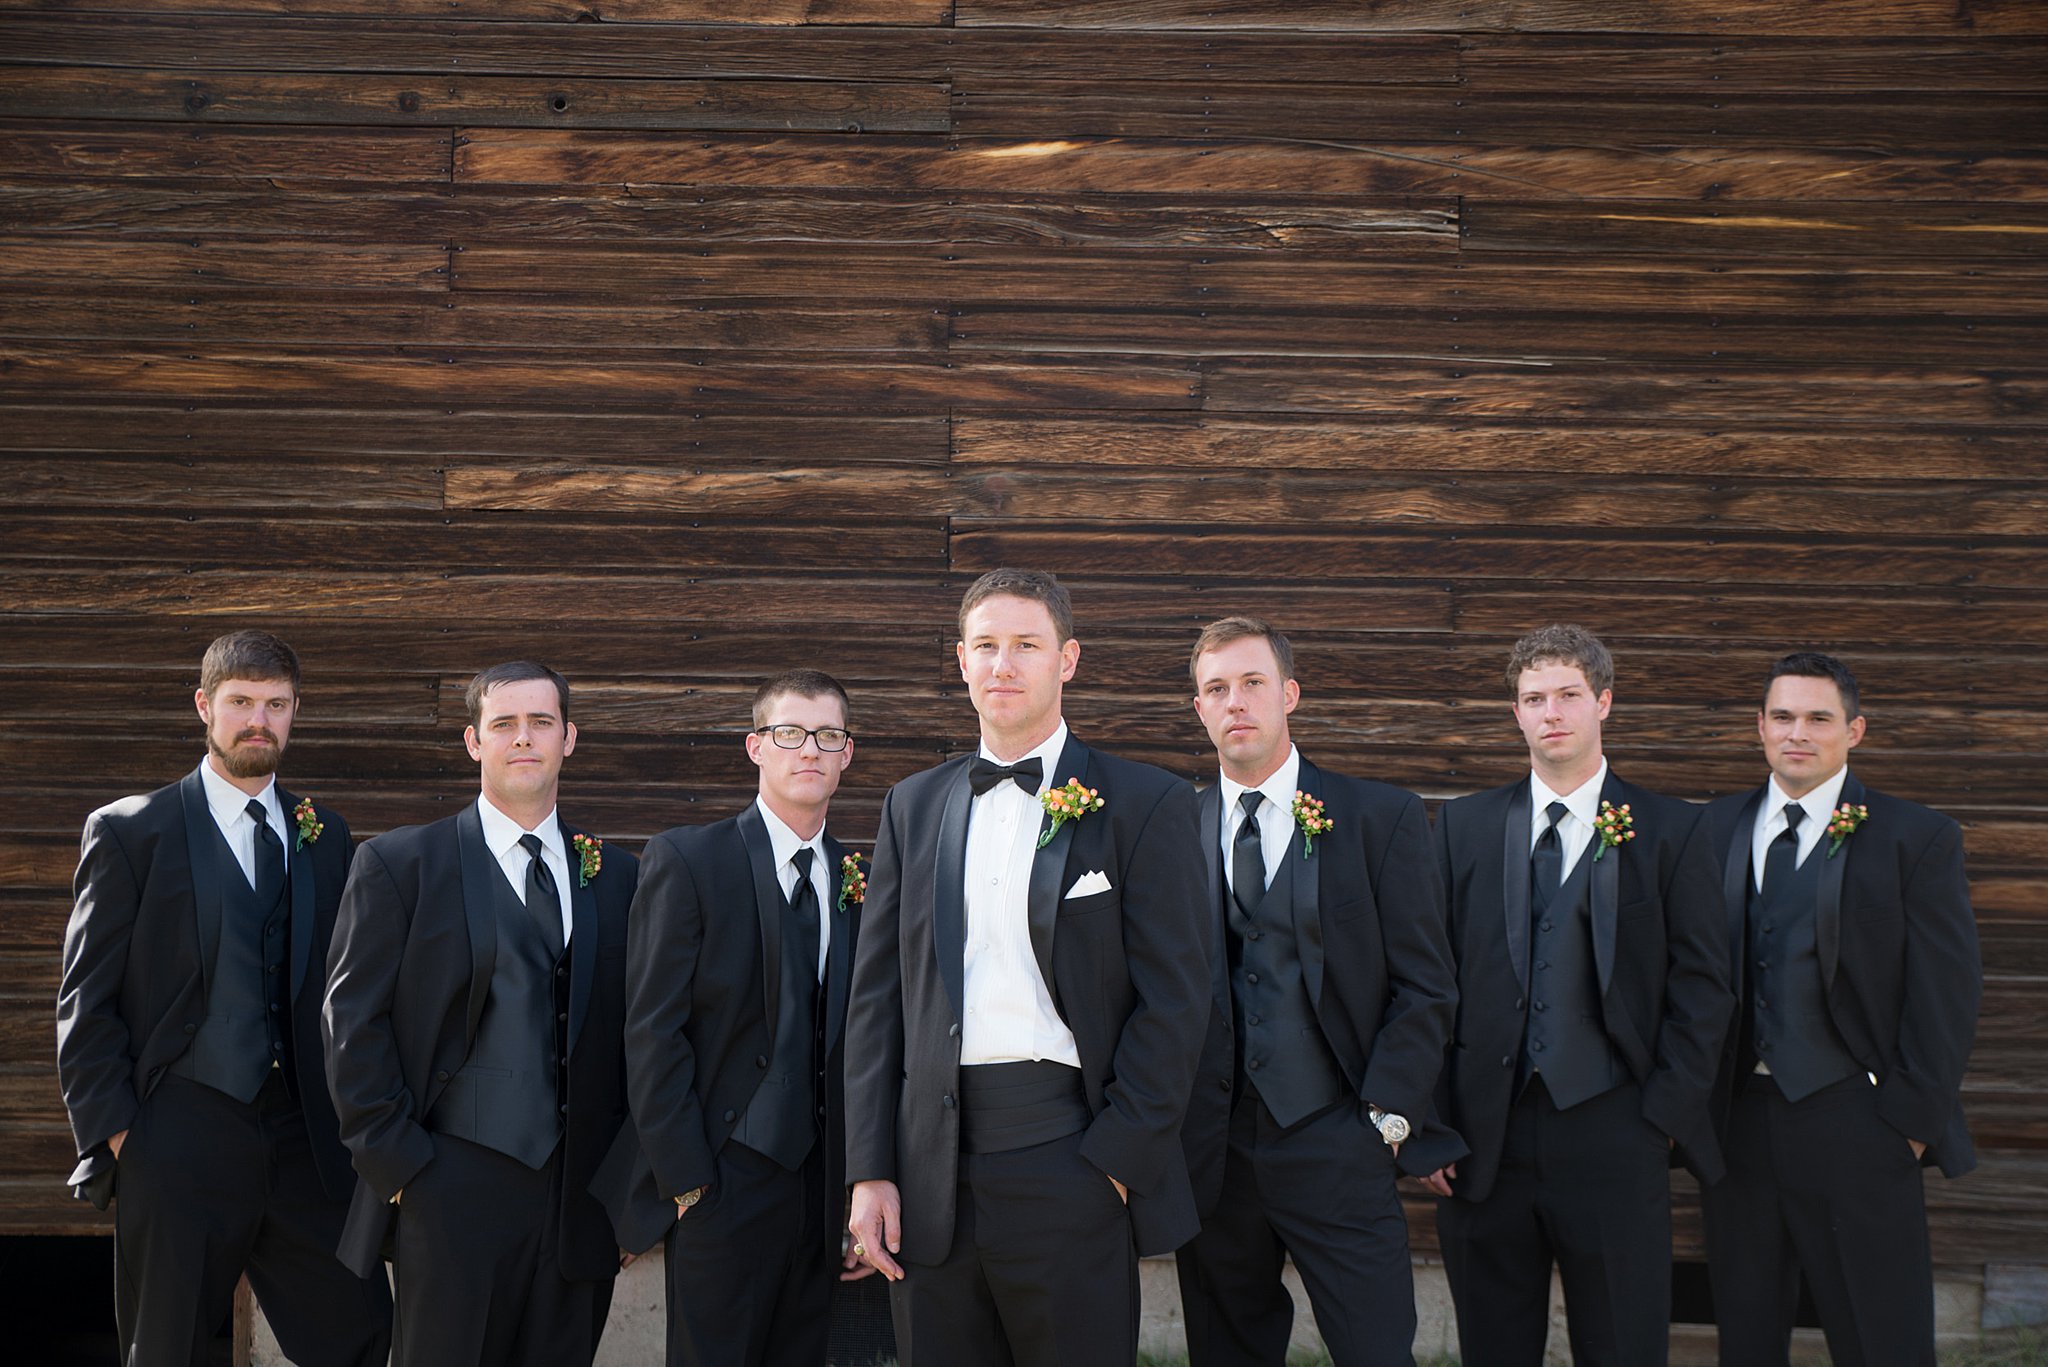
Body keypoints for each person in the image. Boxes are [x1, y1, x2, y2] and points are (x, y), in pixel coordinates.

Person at [843, 568, 1208, 1367]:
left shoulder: (1147, 802)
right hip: (930, 1171)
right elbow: (876, 1001)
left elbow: (1176, 1003)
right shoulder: (912, 803)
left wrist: (1115, 1162)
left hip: (1071, 1154)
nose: (1003, 664)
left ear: (1067, 659)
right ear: (963, 662)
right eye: (985, 646)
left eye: (1025, 645)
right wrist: (871, 1169)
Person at [56, 629, 391, 1366]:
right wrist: (123, 1137)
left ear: (295, 711)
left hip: (303, 1138)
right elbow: (86, 997)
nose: (257, 720)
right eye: (241, 701)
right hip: (178, 1129)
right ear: (205, 705)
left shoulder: (324, 834)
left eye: (275, 704)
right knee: (165, 1344)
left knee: (359, 1332)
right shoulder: (130, 831)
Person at [323, 660, 650, 1367]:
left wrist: (625, 1192)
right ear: (474, 741)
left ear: (569, 738)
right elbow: (353, 1026)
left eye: (540, 723)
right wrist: (404, 1168)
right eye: (503, 723)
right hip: (447, 1189)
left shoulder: (621, 877)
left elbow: (645, 1039)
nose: (522, 738)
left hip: (579, 1206)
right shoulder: (401, 863)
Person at [1422, 624, 1731, 1367]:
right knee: (1493, 1347)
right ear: (1517, 713)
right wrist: (1428, 1119)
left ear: (1604, 702)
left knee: (1622, 1344)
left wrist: (1661, 1114)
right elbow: (1427, 979)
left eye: (1567, 695)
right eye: (1534, 698)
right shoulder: (1463, 825)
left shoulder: (1674, 828)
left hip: (1616, 1129)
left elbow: (1705, 984)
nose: (1550, 712)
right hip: (1483, 1138)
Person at [1175, 617, 1456, 1367]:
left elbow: (1425, 984)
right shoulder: (1172, 826)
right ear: (1200, 708)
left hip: (1340, 1140)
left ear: (1290, 693)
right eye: (1216, 688)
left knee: (1375, 1350)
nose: (1235, 701)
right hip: (1217, 1155)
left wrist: (1384, 1122)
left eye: (1252, 682)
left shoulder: (1378, 816)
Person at [1698, 651, 1980, 1367]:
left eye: (1819, 717)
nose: (1799, 731)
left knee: (1880, 1333)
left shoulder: (1915, 837)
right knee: (1747, 1330)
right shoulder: (1709, 830)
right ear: (1759, 726)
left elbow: (1945, 993)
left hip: (1860, 1119)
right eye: (1784, 716)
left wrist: (1908, 1128)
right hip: (1740, 1125)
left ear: (1854, 730)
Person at [625, 669, 871, 1367]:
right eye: (790, 733)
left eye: (828, 735)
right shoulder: (691, 858)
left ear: (847, 752)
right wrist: (686, 1179)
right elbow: (652, 1029)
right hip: (720, 1181)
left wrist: (858, 1181)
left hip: (820, 1189)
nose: (810, 751)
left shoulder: (860, 878)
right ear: (755, 746)